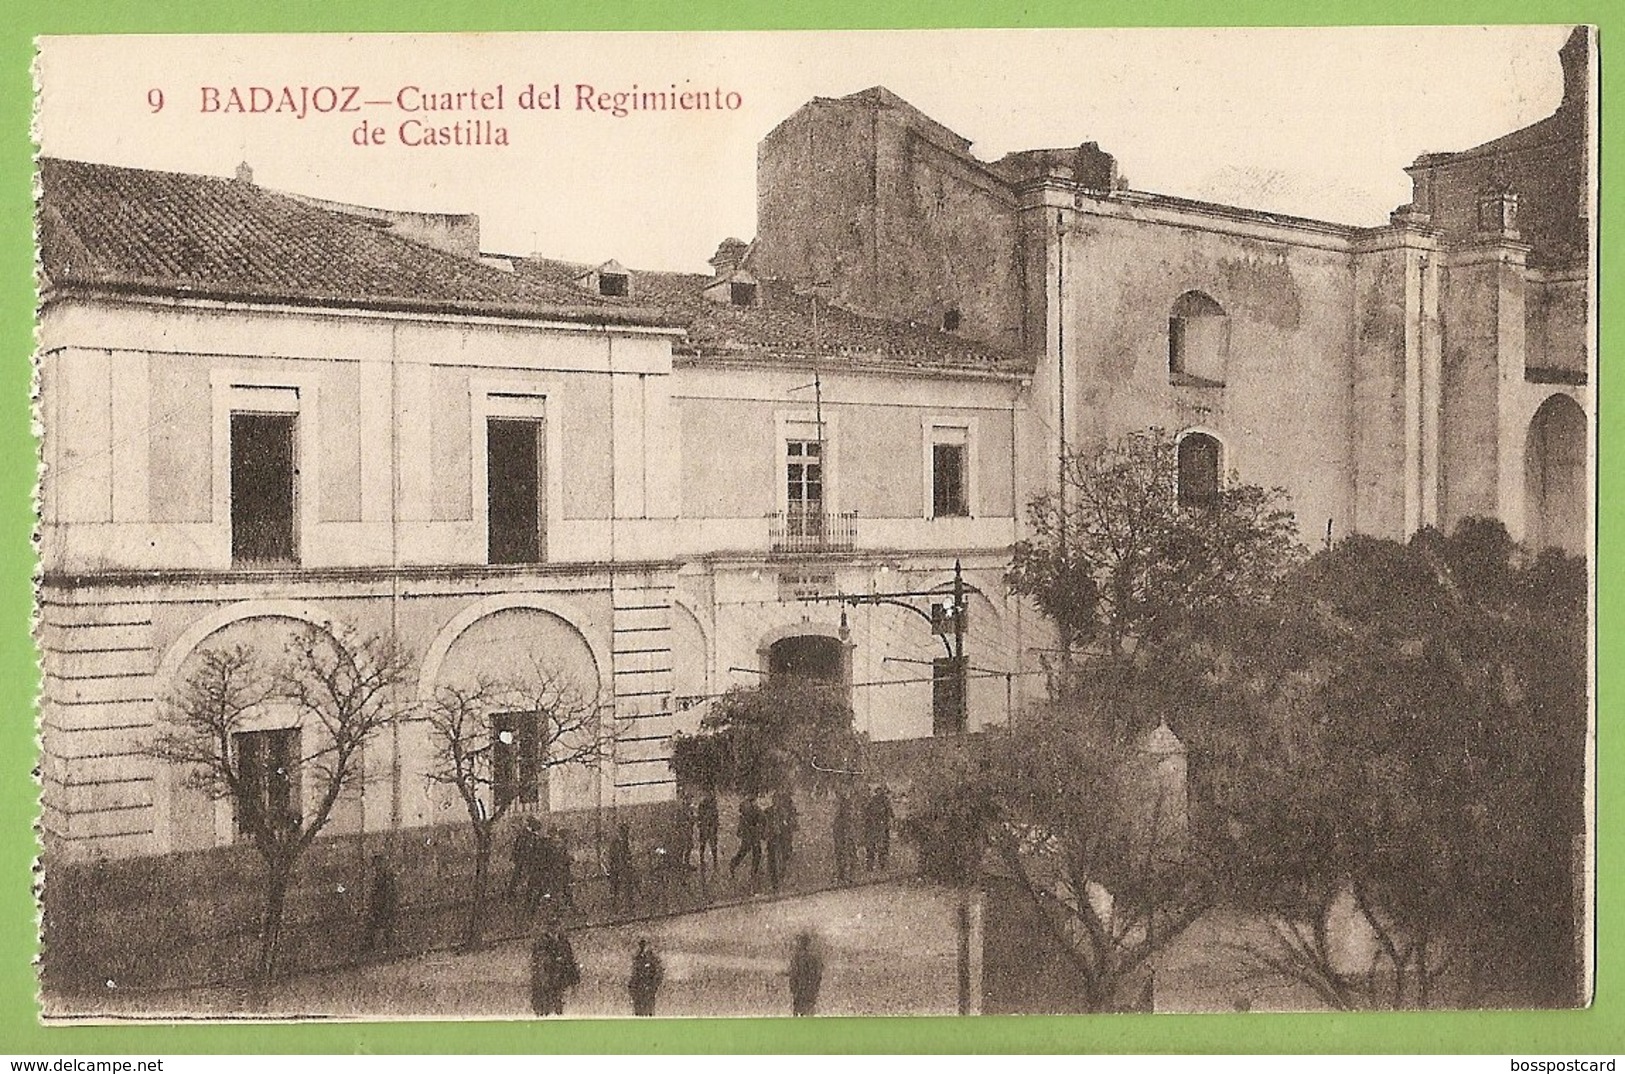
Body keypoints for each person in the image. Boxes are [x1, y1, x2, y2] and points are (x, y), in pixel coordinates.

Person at [529, 914, 580, 1017]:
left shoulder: (563, 941)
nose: (554, 928)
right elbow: (538, 961)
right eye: (551, 925)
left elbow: (569, 959)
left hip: (559, 978)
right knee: (544, 1006)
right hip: (547, 978)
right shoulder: (541, 942)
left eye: (556, 925)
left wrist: (573, 977)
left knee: (558, 1003)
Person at [362, 852, 398, 952]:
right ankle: (376, 946)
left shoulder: (387, 877)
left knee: (384, 926)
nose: (377, 867)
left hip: (385, 905)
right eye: (376, 865)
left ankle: (387, 946)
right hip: (378, 906)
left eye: (379, 864)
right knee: (376, 926)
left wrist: (388, 904)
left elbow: (390, 893)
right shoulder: (378, 877)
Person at [729, 795, 764, 884]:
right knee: (745, 851)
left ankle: (753, 872)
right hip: (749, 835)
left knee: (756, 853)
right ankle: (734, 864)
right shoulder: (749, 808)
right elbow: (743, 819)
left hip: (752, 835)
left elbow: (762, 819)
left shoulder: (755, 809)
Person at [788, 931, 823, 1016]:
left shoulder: (797, 957)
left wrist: (793, 986)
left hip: (800, 988)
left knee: (798, 1009)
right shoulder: (813, 957)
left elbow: (793, 973)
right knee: (808, 1010)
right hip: (808, 989)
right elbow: (817, 974)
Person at [628, 937, 665, 1016]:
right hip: (639, 989)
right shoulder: (637, 958)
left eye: (644, 945)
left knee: (648, 1008)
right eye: (641, 945)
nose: (642, 947)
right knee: (639, 1010)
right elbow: (634, 974)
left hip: (648, 987)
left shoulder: (652, 959)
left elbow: (659, 972)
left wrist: (654, 985)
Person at [608, 820, 638, 914]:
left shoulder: (625, 842)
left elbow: (626, 854)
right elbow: (613, 856)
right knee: (616, 888)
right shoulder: (616, 842)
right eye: (624, 832)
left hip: (624, 868)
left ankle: (628, 906)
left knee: (627, 887)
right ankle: (615, 908)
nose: (626, 834)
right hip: (616, 868)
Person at [864, 785, 894, 871]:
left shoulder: (882, 801)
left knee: (879, 847)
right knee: (876, 847)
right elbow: (891, 814)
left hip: (879, 827)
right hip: (877, 827)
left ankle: (880, 865)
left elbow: (891, 813)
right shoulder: (877, 801)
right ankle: (874, 865)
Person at [507, 817, 538, 899]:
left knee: (518, 875)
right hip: (525, 859)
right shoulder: (528, 836)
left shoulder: (525, 835)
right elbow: (521, 847)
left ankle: (512, 892)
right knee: (522, 875)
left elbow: (517, 847)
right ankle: (515, 893)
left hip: (522, 859)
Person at [832, 789, 855, 884]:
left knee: (842, 855)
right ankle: (844, 875)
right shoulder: (843, 818)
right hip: (843, 836)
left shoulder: (840, 818)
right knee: (844, 855)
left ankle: (843, 875)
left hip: (843, 836)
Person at [696, 791, 720, 872]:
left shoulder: (713, 804)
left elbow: (716, 816)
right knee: (703, 844)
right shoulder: (703, 804)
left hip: (711, 828)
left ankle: (715, 860)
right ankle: (702, 859)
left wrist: (715, 826)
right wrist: (700, 824)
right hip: (705, 827)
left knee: (713, 845)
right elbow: (699, 816)